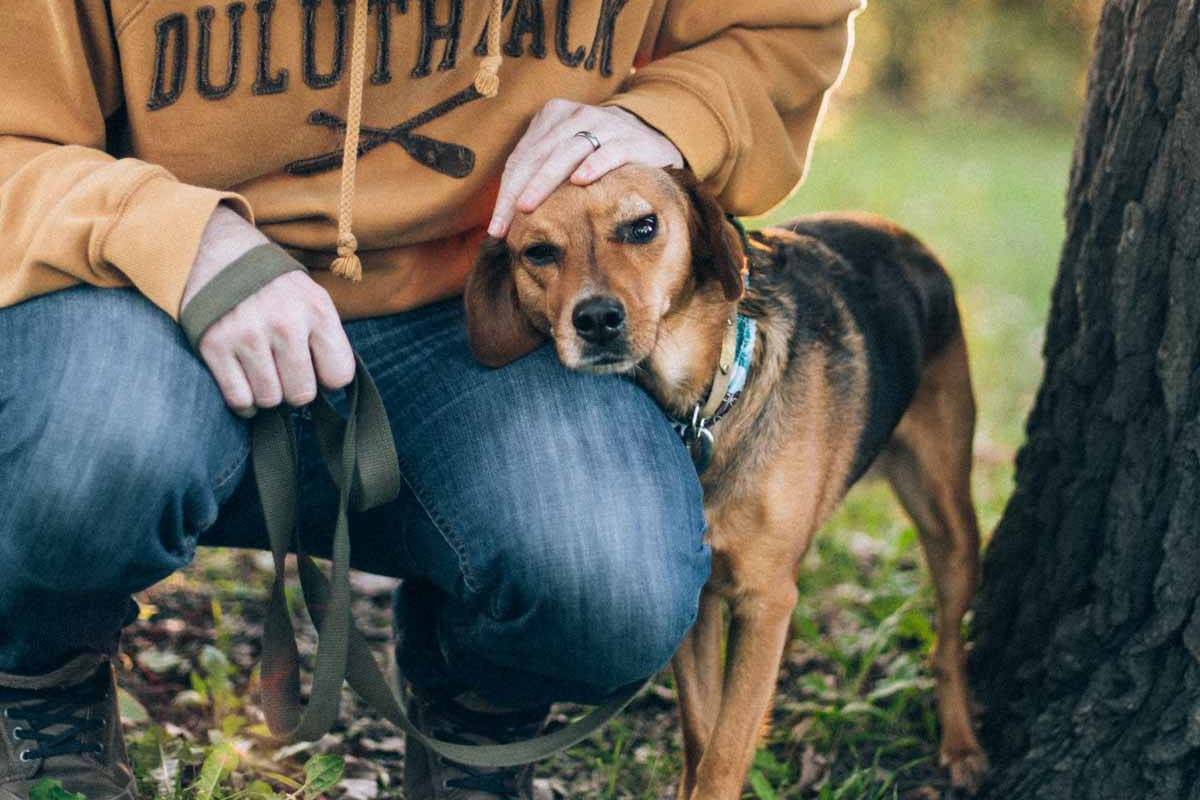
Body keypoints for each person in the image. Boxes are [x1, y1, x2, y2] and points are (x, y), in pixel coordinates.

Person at [0, 1, 860, 797]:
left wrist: (672, 114)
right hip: (143, 291)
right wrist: (174, 239)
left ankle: (473, 707)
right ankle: (44, 680)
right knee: (86, 455)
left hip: (476, 311)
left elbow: (784, 28)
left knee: (614, 576)